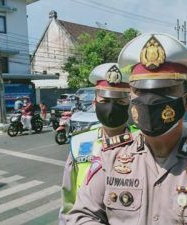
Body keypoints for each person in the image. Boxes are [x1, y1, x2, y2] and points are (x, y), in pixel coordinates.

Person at [67, 33, 187, 225]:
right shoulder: (110, 157)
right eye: (142, 91)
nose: (150, 100)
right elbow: (81, 216)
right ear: (131, 99)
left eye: (163, 91)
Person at [59, 63, 138, 224]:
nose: (111, 107)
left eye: (119, 101)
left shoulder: (141, 139)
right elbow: (68, 198)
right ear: (95, 102)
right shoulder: (79, 142)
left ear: (129, 104)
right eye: (105, 100)